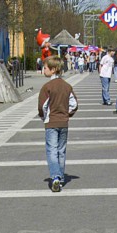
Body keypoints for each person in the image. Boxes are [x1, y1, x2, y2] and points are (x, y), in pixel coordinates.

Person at [38, 55, 78, 193]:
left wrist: (44, 118)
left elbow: (42, 106)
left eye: (45, 68)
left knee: (52, 151)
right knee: (61, 150)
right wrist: (67, 114)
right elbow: (74, 104)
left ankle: (55, 176)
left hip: (51, 122)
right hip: (64, 122)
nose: (44, 70)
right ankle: (60, 178)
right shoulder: (67, 86)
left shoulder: (47, 87)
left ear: (53, 69)